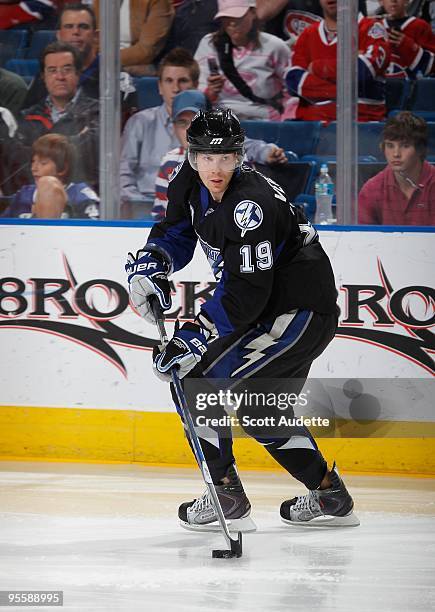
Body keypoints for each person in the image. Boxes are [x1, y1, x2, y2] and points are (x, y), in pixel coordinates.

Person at [126, 108, 360, 530]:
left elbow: (247, 292)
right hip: (271, 309)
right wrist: (153, 261)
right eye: (206, 158)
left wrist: (196, 333)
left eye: (226, 158)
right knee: (258, 409)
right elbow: (176, 231)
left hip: (298, 310)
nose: (215, 169)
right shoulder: (188, 178)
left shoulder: (250, 204)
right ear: (192, 156)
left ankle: (226, 494)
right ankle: (329, 496)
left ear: (240, 157)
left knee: (196, 379)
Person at [121, 47, 288, 215]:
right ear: (159, 86)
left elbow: (241, 145)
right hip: (146, 207)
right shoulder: (140, 122)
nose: (176, 88)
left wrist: (267, 151)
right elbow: (122, 176)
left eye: (183, 81)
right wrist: (137, 208)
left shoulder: (213, 121)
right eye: (169, 81)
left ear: (195, 85)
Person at [152, 88, 289, 220]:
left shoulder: (233, 158)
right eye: (182, 123)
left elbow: (240, 211)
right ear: (174, 127)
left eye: (195, 122)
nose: (189, 130)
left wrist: (266, 151)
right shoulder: (169, 161)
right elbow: (164, 217)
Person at [22, 3, 137, 120]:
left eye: (83, 26)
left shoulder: (115, 76)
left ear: (96, 36)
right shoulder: (47, 75)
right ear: (59, 35)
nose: (76, 32)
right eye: (69, 26)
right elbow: (26, 118)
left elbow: (126, 124)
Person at [13, 41, 99, 189]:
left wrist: (40, 149)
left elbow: (91, 159)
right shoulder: (28, 116)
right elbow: (20, 162)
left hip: (84, 198)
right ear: (43, 77)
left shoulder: (98, 112)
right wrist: (76, 140)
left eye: (66, 70)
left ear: (78, 74)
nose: (60, 77)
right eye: (52, 70)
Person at [286, 0, 391, 121]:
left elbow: (363, 71)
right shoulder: (307, 34)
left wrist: (316, 68)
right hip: (312, 126)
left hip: (360, 125)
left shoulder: (372, 29)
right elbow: (293, 79)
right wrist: (347, 89)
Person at [194, 0, 294, 120]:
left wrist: (285, 120)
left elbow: (292, 89)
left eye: (238, 16)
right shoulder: (209, 45)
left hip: (265, 119)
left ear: (252, 13)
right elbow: (196, 92)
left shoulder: (275, 46)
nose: (232, 23)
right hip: (220, 120)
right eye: (226, 17)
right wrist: (210, 92)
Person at [358, 111, 435, 225]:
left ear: (420, 149)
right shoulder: (371, 190)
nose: (396, 154)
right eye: (390, 146)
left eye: (405, 145)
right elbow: (362, 239)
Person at [1, 133, 99, 219]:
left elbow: (93, 233)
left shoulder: (82, 196)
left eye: (43, 163)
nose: (34, 168)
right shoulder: (24, 194)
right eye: (33, 162)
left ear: (63, 168)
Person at [93, 0, 174, 76]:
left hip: (135, 71)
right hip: (100, 66)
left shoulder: (158, 2)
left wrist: (103, 59)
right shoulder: (100, 2)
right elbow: (93, 39)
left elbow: (146, 51)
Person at [378, 0, 435, 78]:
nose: (393, 0)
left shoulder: (420, 26)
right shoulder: (374, 27)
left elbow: (432, 66)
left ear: (407, 1)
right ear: (380, 1)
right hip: (379, 87)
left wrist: (408, 45)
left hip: (410, 87)